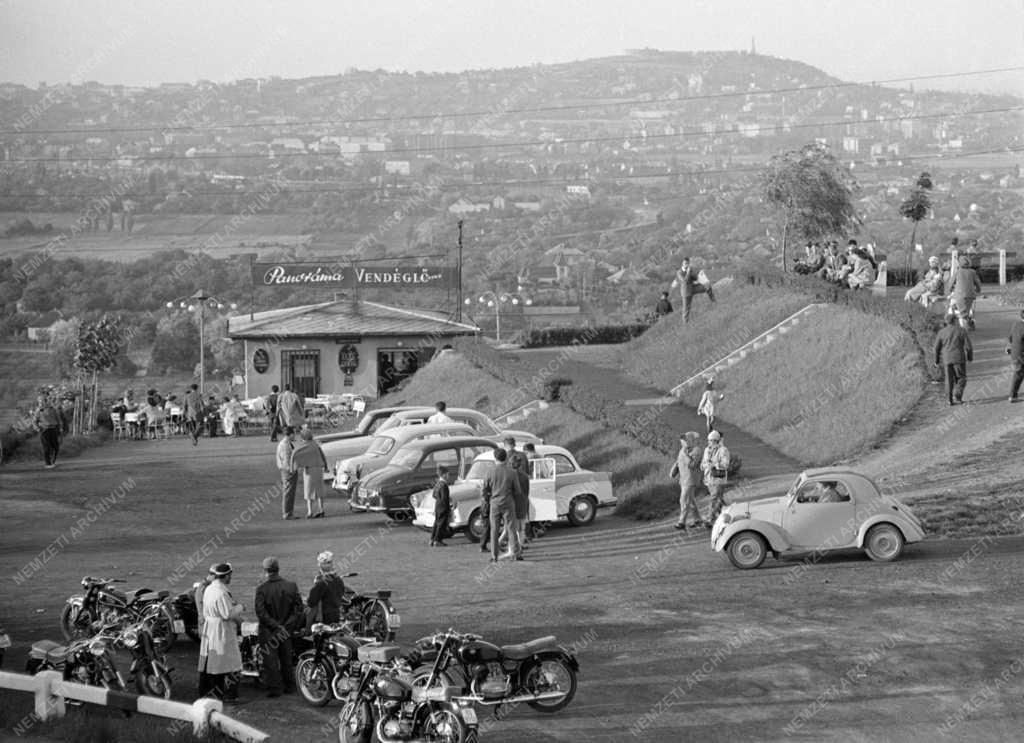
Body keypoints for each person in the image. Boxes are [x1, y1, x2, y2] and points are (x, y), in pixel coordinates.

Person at [254, 556, 302, 698]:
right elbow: (298, 609)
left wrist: (276, 625)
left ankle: (275, 688)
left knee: (270, 661)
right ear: (278, 569)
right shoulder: (291, 586)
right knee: (286, 658)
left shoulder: (262, 589)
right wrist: (286, 625)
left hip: (269, 630)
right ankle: (290, 685)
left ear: (266, 570)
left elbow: (261, 613)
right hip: (285, 630)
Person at [197, 563, 243, 703]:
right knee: (231, 663)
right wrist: (240, 607)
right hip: (221, 629)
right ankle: (229, 694)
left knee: (211, 662)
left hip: (210, 627)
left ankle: (208, 692)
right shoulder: (221, 592)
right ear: (226, 576)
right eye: (230, 576)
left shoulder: (209, 589)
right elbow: (227, 614)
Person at [481, 448, 523, 562]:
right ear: (506, 458)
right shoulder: (512, 472)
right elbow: (518, 491)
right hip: (508, 503)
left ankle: (494, 556)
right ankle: (515, 554)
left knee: (494, 530)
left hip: (494, 503)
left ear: (495, 458)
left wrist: (488, 498)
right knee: (511, 529)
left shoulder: (489, 472)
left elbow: (484, 490)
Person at [933, 313, 974, 406]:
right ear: (955, 320)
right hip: (959, 359)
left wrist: (936, 361)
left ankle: (949, 400)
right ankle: (958, 396)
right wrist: (970, 357)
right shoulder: (961, 330)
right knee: (961, 378)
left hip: (947, 359)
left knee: (948, 379)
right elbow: (968, 346)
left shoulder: (941, 332)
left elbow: (936, 348)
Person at [671, 432, 704, 530]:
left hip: (691, 479)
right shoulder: (683, 450)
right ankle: (698, 520)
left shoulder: (696, 450)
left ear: (691, 440)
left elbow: (692, 465)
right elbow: (678, 461)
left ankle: (681, 522)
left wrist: (685, 454)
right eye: (682, 441)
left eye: (685, 440)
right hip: (683, 479)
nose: (683, 443)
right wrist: (673, 471)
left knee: (684, 500)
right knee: (691, 500)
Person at [291, 429, 327, 518]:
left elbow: (295, 454)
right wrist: (325, 466)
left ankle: (310, 511)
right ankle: (321, 509)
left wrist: (293, 467)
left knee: (309, 491)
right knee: (319, 490)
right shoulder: (315, 445)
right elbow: (322, 455)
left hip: (309, 470)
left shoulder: (303, 446)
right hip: (318, 469)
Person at [306, 551, 347, 625]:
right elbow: (341, 593)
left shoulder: (322, 582)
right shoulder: (339, 580)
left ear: (320, 565)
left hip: (324, 618)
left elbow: (311, 602)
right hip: (336, 615)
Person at [671, 257, 715, 322]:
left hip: (693, 288)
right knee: (686, 309)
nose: (687, 265)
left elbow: (694, 278)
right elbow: (684, 281)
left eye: (688, 263)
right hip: (686, 292)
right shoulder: (679, 272)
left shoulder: (690, 269)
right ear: (682, 264)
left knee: (707, 286)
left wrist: (700, 274)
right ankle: (685, 324)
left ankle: (714, 302)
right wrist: (688, 272)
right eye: (685, 263)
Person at [701, 430, 731, 525]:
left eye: (710, 440)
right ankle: (727, 513)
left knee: (714, 498)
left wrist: (714, 464)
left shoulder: (723, 450)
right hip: (709, 479)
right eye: (708, 440)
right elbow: (703, 463)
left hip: (719, 479)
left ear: (715, 440)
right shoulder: (707, 450)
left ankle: (710, 519)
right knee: (718, 499)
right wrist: (704, 466)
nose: (708, 442)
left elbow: (725, 464)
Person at [948, 255, 982, 329]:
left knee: (962, 312)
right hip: (970, 295)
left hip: (959, 295)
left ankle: (963, 328)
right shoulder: (972, 272)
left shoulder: (957, 272)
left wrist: (950, 290)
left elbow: (950, 283)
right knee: (966, 311)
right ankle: (966, 324)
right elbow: (978, 283)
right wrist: (978, 290)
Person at [429, 465, 455, 547]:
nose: (449, 476)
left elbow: (434, 495)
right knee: (441, 524)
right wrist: (449, 507)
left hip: (437, 506)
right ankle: (438, 540)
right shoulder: (444, 485)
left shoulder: (438, 484)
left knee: (436, 523)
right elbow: (444, 498)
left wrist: (439, 498)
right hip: (443, 507)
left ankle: (432, 539)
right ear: (444, 475)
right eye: (448, 474)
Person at [276, 426, 298, 519]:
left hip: (286, 470)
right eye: (294, 433)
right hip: (288, 471)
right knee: (288, 492)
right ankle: (287, 513)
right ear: (291, 434)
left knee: (290, 492)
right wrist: (292, 470)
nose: (295, 435)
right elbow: (286, 460)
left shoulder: (286, 443)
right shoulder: (285, 445)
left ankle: (289, 512)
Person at [35, 395, 62, 469]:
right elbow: (34, 421)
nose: (41, 403)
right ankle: (48, 463)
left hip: (53, 429)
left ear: (46, 401)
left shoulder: (53, 409)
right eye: (40, 402)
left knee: (56, 447)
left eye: (43, 401)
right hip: (44, 430)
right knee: (46, 447)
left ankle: (52, 461)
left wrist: (60, 428)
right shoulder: (39, 411)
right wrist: (38, 428)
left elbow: (58, 419)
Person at [1008, 310, 1024, 403]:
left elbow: (1010, 338)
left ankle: (1013, 395)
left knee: (1018, 375)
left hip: (1015, 354)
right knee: (1018, 375)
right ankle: (1012, 395)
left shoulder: (1015, 324)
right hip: (1021, 355)